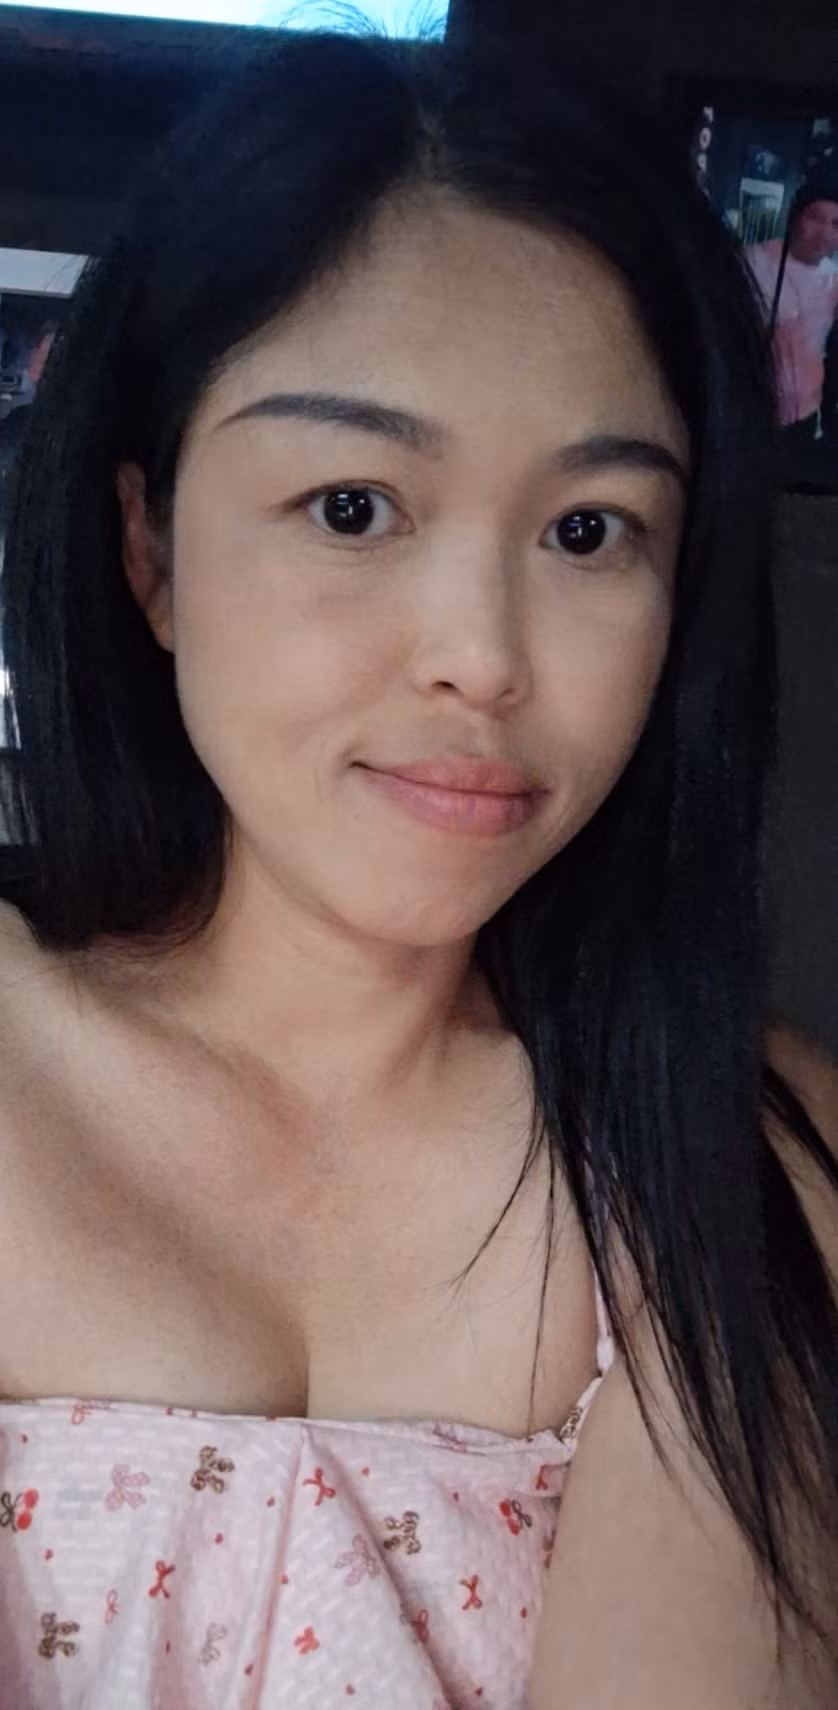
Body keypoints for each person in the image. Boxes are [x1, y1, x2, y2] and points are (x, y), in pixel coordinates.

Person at [0, 26, 836, 1710]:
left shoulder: (742, 1165)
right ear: (148, 547)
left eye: (587, 531)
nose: (483, 658)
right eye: (353, 507)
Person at [745, 173, 838, 446]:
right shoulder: (753, 261)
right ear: (794, 217)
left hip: (805, 416)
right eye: (815, 218)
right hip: (752, 410)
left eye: (836, 224)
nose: (824, 232)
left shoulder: (834, 280)